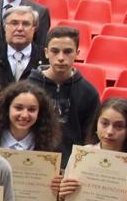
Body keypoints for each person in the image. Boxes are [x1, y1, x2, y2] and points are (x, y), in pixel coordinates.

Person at [25, 25, 100, 164]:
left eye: (67, 52)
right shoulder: (28, 87)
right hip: (33, 163)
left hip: (72, 166)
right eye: (55, 51)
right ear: (46, 53)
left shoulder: (89, 92)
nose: (60, 57)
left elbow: (90, 137)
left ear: (77, 53)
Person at [0, 6, 46, 86]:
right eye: (14, 23)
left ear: (34, 28)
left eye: (26, 24)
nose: (20, 28)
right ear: (5, 27)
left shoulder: (46, 58)